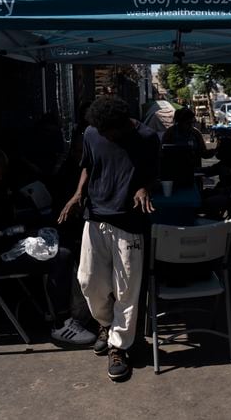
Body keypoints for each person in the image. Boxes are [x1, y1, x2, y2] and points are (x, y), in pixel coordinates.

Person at [0, 144, 96, 347]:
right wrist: (21, 234)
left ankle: (70, 310)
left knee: (59, 239)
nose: (1, 177)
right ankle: (61, 323)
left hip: (1, 248)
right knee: (61, 256)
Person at [58, 96, 160, 382]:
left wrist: (143, 188)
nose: (103, 135)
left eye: (108, 132)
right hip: (95, 217)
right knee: (88, 281)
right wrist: (78, 194)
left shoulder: (147, 137)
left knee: (127, 290)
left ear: (123, 125)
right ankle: (106, 325)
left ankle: (118, 347)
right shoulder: (93, 132)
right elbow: (88, 167)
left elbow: (155, 175)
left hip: (129, 222)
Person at [199, 137, 231, 218]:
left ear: (226, 150)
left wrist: (217, 191)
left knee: (200, 201)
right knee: (203, 194)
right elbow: (209, 170)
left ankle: (213, 221)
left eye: (219, 149)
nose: (217, 152)